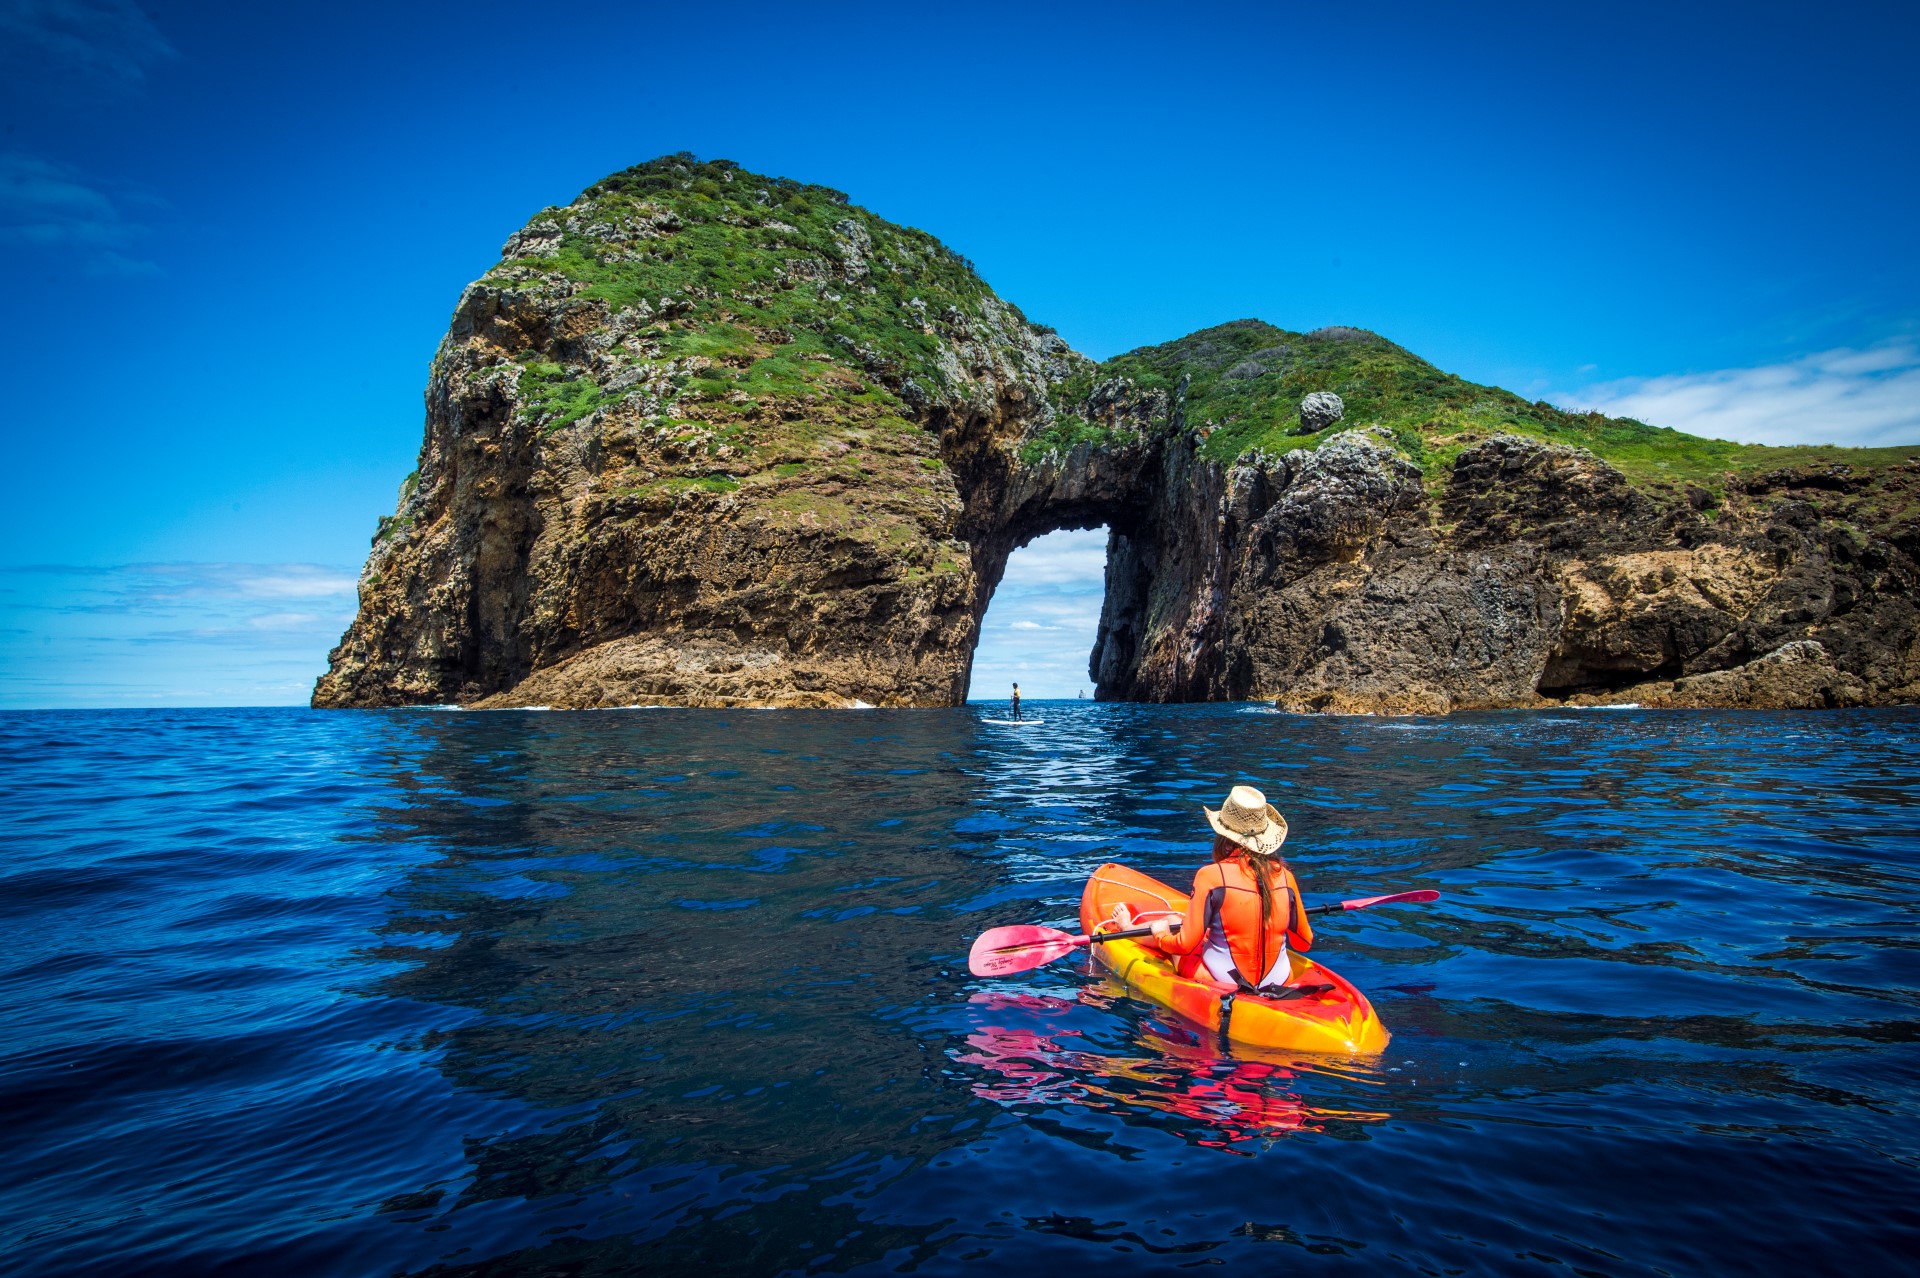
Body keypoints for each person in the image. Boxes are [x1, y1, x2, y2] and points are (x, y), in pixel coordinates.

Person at [1147, 785, 1313, 993]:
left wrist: (1161, 937)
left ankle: (1128, 927)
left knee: (1171, 923)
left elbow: (1185, 945)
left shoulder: (1210, 875)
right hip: (1280, 980)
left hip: (1222, 981)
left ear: (1223, 838)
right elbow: (1303, 943)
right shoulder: (1286, 877)